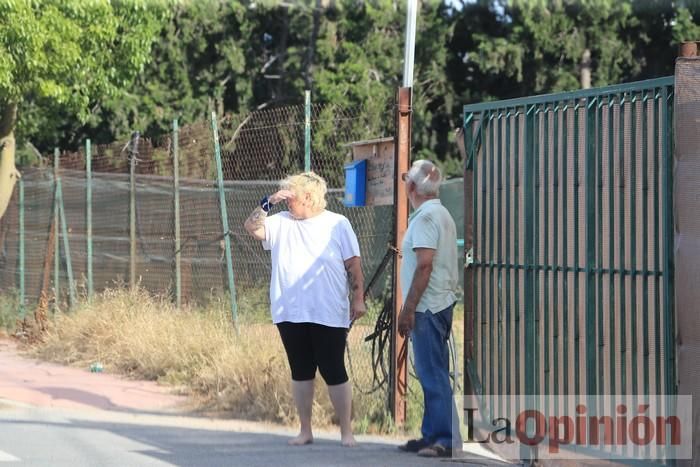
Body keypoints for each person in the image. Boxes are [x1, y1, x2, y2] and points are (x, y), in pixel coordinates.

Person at [244, 171, 366, 447]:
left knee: (333, 368)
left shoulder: (338, 223)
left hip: (328, 309)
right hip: (290, 309)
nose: (287, 202)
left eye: (292, 197)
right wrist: (269, 201)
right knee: (300, 369)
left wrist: (358, 298)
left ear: (309, 197)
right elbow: (251, 228)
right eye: (284, 197)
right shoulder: (280, 221)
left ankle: (347, 431)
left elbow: (353, 263)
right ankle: (305, 430)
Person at [396, 160, 461, 458]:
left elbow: (424, 266)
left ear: (411, 187)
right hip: (440, 302)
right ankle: (431, 434)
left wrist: (407, 310)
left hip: (427, 306)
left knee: (431, 372)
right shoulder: (441, 213)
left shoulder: (424, 219)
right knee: (432, 371)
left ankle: (445, 439)